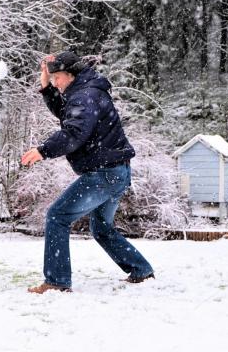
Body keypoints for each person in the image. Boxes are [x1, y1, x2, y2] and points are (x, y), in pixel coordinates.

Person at [22, 51, 154, 294]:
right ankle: (140, 270)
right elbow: (67, 114)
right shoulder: (86, 91)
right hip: (117, 171)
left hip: (104, 174)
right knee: (102, 227)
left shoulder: (84, 96)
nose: (55, 83)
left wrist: (43, 151)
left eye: (57, 79)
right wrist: (45, 84)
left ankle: (57, 282)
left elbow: (73, 133)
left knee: (57, 216)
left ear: (70, 75)